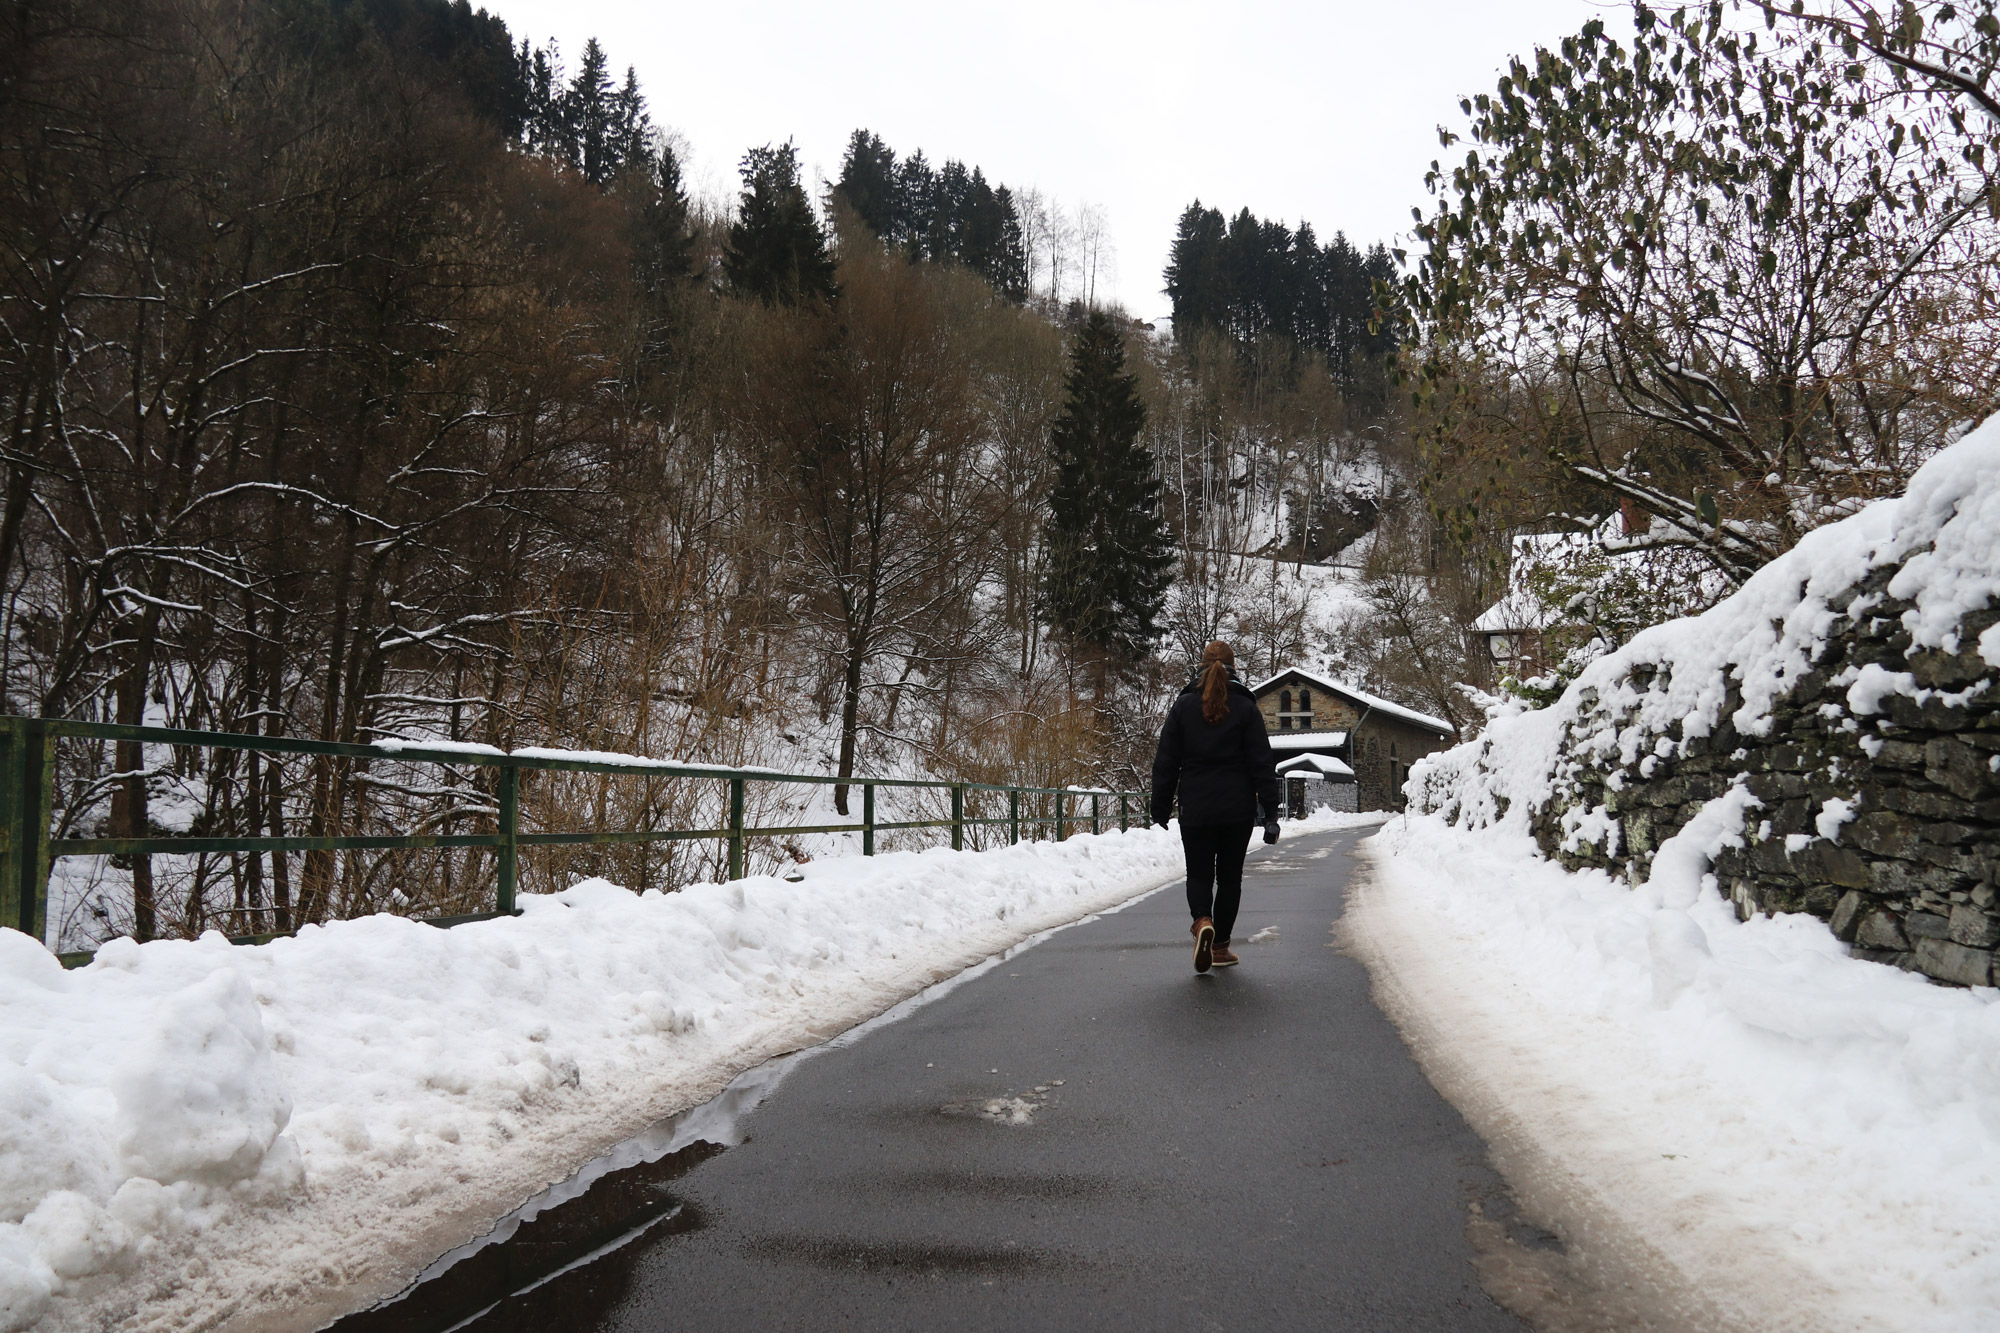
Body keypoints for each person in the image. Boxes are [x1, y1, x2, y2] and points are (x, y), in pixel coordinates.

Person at [1150, 640, 1281, 973]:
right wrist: (1270, 812)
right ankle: (1220, 947)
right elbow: (1262, 764)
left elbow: (1166, 762)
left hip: (1196, 807)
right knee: (1229, 880)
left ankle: (1201, 921)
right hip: (1237, 810)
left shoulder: (1183, 707)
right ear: (1234, 667)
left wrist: (1160, 806)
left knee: (1199, 874)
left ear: (1201, 665)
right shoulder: (1247, 709)